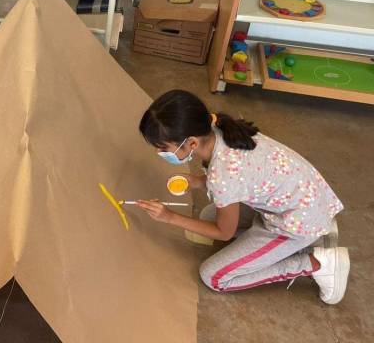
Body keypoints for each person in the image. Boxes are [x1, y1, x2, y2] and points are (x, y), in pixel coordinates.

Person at [136, 90, 348, 304]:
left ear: (191, 143)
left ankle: (318, 263)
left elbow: (224, 232)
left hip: (296, 221)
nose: (159, 153)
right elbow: (240, 177)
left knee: (214, 277)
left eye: (163, 148)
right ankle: (319, 229)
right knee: (209, 215)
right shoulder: (218, 126)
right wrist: (198, 181)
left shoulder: (223, 174)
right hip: (307, 198)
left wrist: (169, 217)